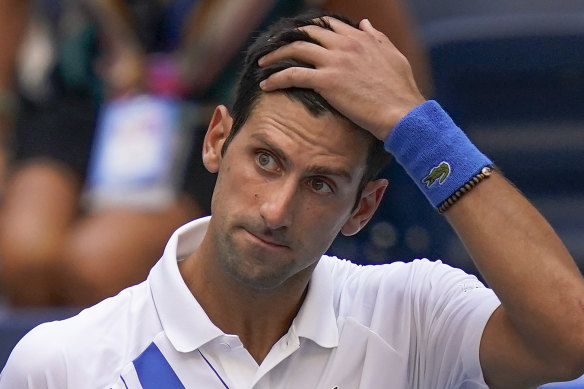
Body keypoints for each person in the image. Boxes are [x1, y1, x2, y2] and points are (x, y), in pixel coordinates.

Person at [3, 10, 584, 388]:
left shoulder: (415, 314)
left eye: (321, 184)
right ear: (217, 140)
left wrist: (419, 126)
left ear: (364, 208)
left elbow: (570, 338)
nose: (277, 210)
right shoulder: (58, 366)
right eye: (266, 160)